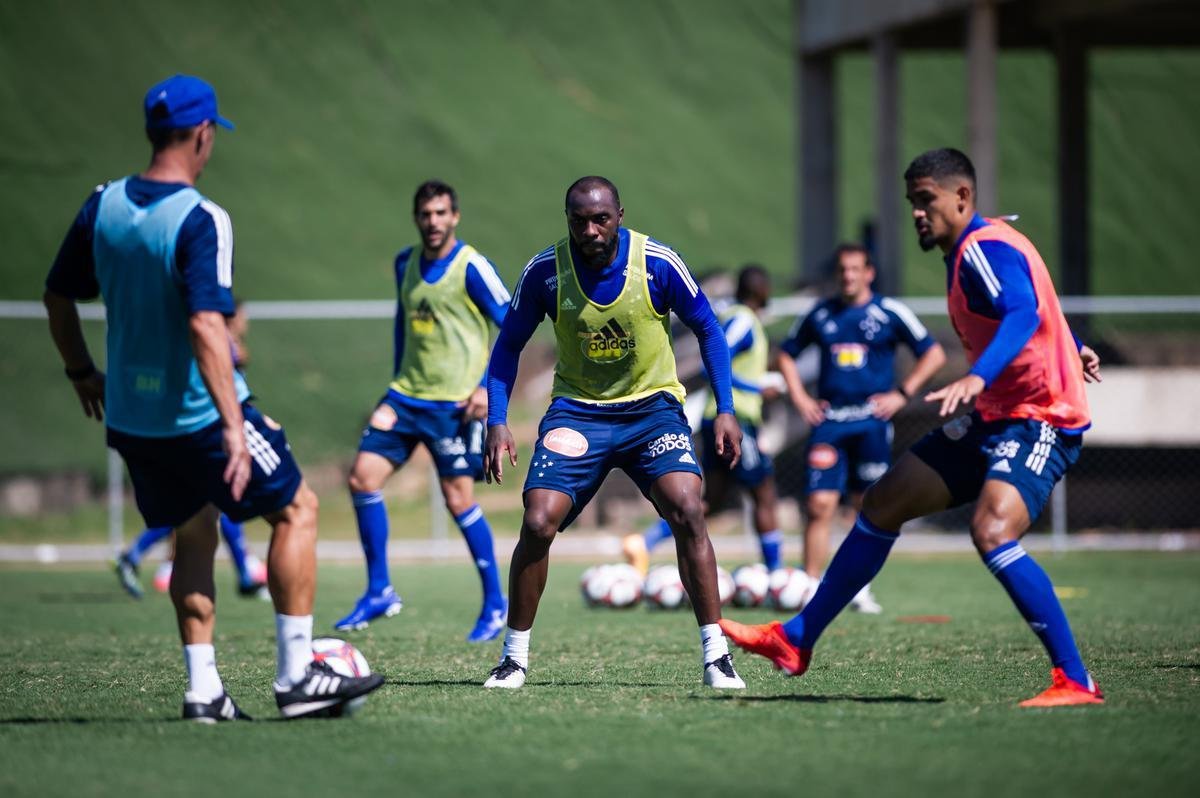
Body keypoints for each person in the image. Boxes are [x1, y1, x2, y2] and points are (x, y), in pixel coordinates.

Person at [43, 74, 383, 721]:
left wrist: (81, 372)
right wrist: (234, 424)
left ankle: (204, 692)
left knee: (194, 531)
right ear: (203, 135)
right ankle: (296, 681)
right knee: (298, 509)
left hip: (132, 420)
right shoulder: (202, 219)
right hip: (199, 416)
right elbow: (206, 326)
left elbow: (57, 297)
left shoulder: (102, 205)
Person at [720, 148, 1106, 707]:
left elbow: (1024, 314)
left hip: (1040, 416)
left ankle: (1075, 680)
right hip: (998, 416)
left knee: (992, 531)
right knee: (882, 504)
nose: (918, 214)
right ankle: (795, 639)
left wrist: (978, 377)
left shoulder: (982, 249)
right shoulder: (985, 245)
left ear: (962, 198)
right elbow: (1037, 307)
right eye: (912, 204)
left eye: (926, 201)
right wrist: (1073, 345)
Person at [482, 176, 746, 690]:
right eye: (579, 220)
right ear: (568, 221)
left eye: (600, 218)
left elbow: (709, 329)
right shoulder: (546, 272)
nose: (590, 229)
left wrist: (728, 408)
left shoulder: (659, 263)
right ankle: (513, 658)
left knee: (689, 508)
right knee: (537, 522)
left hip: (653, 412)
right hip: (578, 414)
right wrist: (496, 420)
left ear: (620, 215)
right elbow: (507, 347)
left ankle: (717, 655)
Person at [335, 180, 510, 642]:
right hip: (405, 397)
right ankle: (379, 590)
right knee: (362, 478)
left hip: (454, 405)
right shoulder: (404, 263)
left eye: (441, 213)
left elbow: (513, 325)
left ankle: (495, 603)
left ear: (455, 217)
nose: (432, 222)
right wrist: (394, 385)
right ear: (416, 218)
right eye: (425, 214)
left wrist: (485, 388)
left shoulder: (473, 267)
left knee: (458, 501)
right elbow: (402, 325)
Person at [778, 244, 945, 612]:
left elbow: (934, 354)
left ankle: (858, 588)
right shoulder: (821, 314)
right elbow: (785, 354)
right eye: (842, 269)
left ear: (869, 273)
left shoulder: (889, 312)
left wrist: (902, 394)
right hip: (830, 423)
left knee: (866, 507)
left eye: (855, 269)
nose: (848, 276)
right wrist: (801, 399)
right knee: (819, 504)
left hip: (871, 423)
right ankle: (808, 586)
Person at [622, 264, 786, 574]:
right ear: (760, 289)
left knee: (711, 499)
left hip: (726, 420)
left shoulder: (743, 318)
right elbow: (721, 353)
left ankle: (644, 543)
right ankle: (777, 573)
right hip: (735, 422)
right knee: (764, 492)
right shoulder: (743, 320)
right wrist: (758, 386)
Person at [114, 301, 267, 599]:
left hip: (213, 427)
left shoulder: (226, 340)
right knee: (209, 505)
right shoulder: (214, 338)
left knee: (205, 508)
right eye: (243, 316)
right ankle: (244, 576)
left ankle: (134, 554)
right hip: (214, 429)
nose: (246, 322)